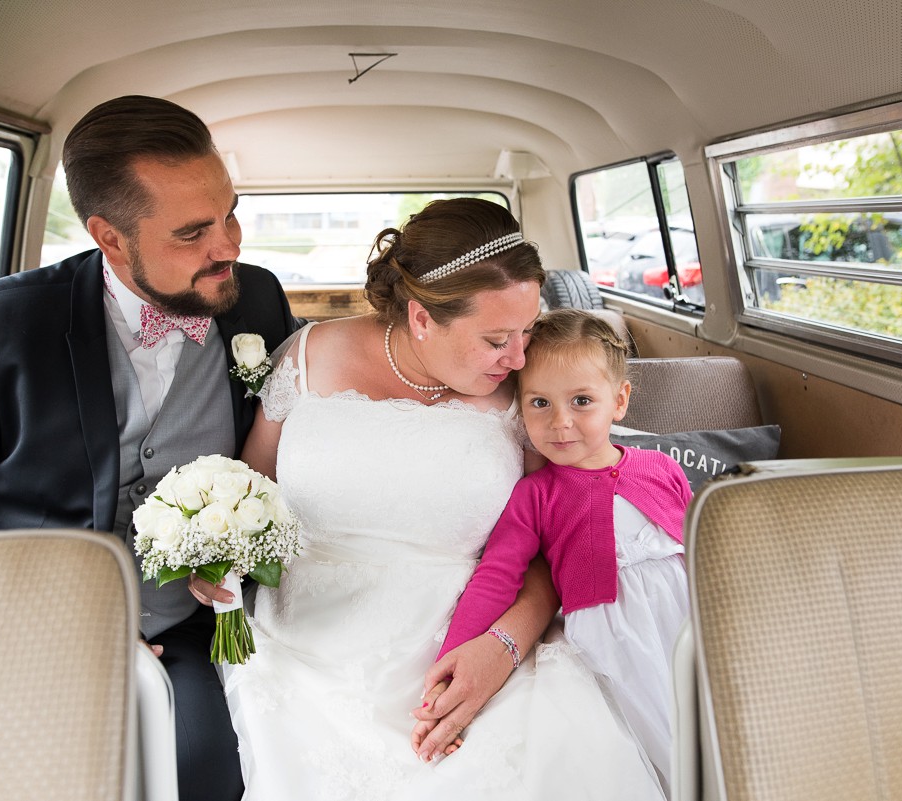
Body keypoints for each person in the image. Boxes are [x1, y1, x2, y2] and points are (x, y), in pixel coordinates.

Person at [0, 95, 300, 801]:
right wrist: (58, 618)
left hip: (194, 618)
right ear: (110, 237)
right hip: (33, 627)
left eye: (230, 213)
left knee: (227, 765)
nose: (229, 247)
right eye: (193, 232)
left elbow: (291, 437)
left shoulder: (255, 300)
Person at [203, 198, 664, 800]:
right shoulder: (308, 357)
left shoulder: (527, 395)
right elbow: (243, 498)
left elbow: (557, 544)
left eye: (527, 331)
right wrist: (213, 557)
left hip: (469, 639)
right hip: (299, 647)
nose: (521, 358)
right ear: (422, 318)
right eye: (497, 338)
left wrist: (501, 649)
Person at [431, 308, 693, 796]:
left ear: (619, 401)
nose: (560, 422)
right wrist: (455, 659)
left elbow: (705, 546)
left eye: (581, 401)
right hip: (618, 642)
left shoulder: (661, 467)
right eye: (540, 403)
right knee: (666, 744)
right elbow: (497, 576)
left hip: (688, 622)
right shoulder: (536, 494)